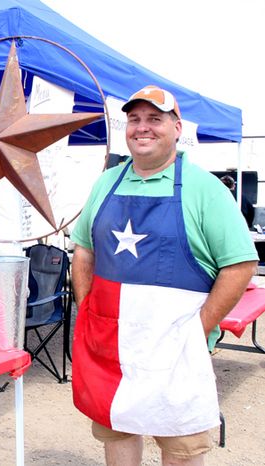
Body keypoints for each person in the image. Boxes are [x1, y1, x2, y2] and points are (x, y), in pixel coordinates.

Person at [70, 85, 258, 466]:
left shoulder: (204, 188)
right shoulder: (107, 182)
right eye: (135, 120)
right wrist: (88, 306)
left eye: (154, 119)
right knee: (118, 427)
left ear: (176, 128)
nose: (143, 128)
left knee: (182, 446)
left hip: (178, 347)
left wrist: (200, 326)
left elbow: (240, 264)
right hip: (113, 341)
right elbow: (84, 249)